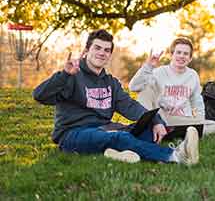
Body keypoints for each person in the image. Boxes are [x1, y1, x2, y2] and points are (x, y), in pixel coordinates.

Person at [32, 30, 199, 165]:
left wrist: (155, 121)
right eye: (97, 48)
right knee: (121, 137)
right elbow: (39, 96)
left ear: (109, 54)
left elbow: (130, 106)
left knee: (146, 129)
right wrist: (64, 75)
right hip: (73, 134)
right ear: (86, 51)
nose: (101, 53)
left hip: (105, 129)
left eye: (106, 50)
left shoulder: (110, 82)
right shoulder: (71, 76)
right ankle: (175, 156)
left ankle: (116, 153)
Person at [128, 37, 215, 135]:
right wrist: (148, 66)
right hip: (162, 117)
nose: (182, 56)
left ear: (190, 58)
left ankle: (171, 132)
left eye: (185, 54)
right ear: (172, 55)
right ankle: (170, 130)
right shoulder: (159, 72)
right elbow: (133, 87)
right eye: (178, 52)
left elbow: (197, 101)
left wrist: (200, 121)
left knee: (214, 125)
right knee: (144, 91)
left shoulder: (192, 75)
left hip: (183, 119)